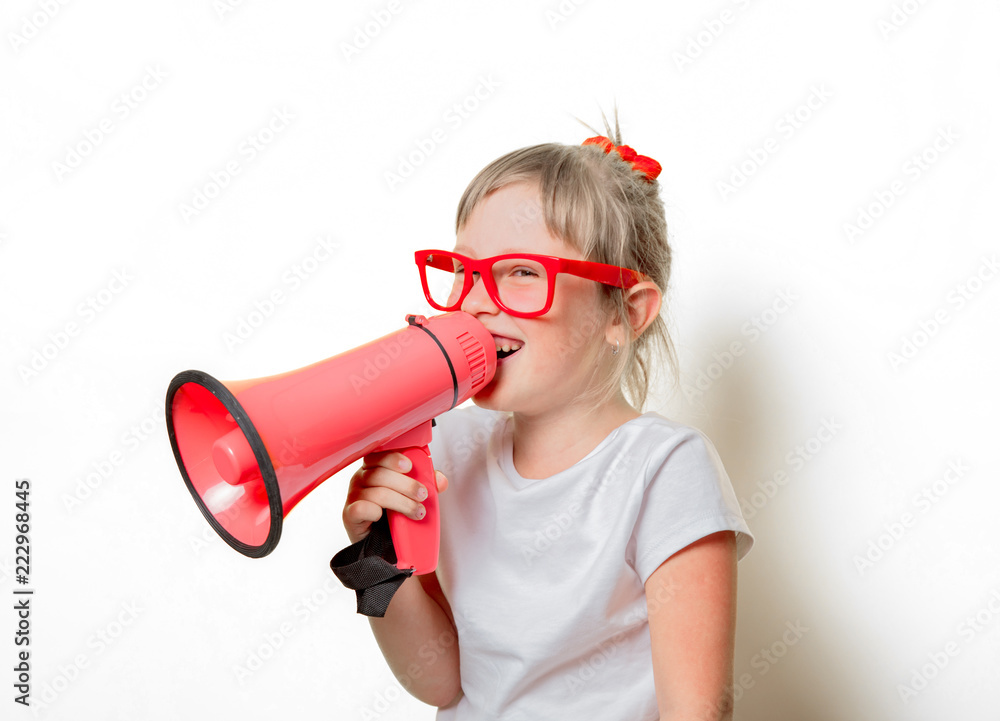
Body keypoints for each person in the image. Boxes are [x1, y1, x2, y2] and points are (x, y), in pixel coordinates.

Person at [340, 117, 755, 720]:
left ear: (625, 314)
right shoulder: (449, 446)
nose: (477, 303)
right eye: (465, 272)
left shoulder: (664, 470)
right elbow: (440, 682)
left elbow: (698, 712)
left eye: (524, 272)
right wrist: (376, 556)